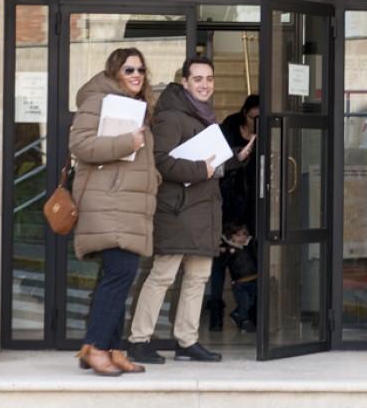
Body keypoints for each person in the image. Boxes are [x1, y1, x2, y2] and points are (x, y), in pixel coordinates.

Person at [67, 48, 160, 376]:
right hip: (108, 203)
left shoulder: (137, 107)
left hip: (127, 205)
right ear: (114, 71)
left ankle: (112, 347)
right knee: (120, 273)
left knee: (120, 276)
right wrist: (125, 143)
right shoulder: (98, 101)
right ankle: (95, 347)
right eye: (129, 69)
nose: (137, 75)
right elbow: (80, 145)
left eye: (141, 70)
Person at [127, 57, 225, 364]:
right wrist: (202, 169)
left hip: (202, 212)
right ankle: (139, 339)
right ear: (184, 82)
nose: (204, 84)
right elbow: (161, 162)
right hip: (177, 212)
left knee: (198, 277)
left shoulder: (204, 116)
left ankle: (187, 340)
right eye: (198, 79)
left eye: (209, 79)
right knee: (162, 276)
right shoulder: (171, 116)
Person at [206, 94, 258, 330]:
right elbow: (219, 163)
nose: (255, 122)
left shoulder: (266, 133)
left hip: (251, 205)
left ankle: (247, 312)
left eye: (260, 117)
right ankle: (215, 310)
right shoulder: (228, 129)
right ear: (244, 113)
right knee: (219, 261)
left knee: (249, 262)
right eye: (252, 117)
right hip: (225, 203)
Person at [218, 221, 257, 333]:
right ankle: (245, 322)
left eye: (244, 234)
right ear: (231, 237)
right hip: (240, 283)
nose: (242, 237)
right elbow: (224, 262)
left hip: (253, 279)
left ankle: (236, 314)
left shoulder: (249, 246)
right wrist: (226, 251)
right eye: (238, 235)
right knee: (244, 302)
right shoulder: (230, 249)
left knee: (250, 302)